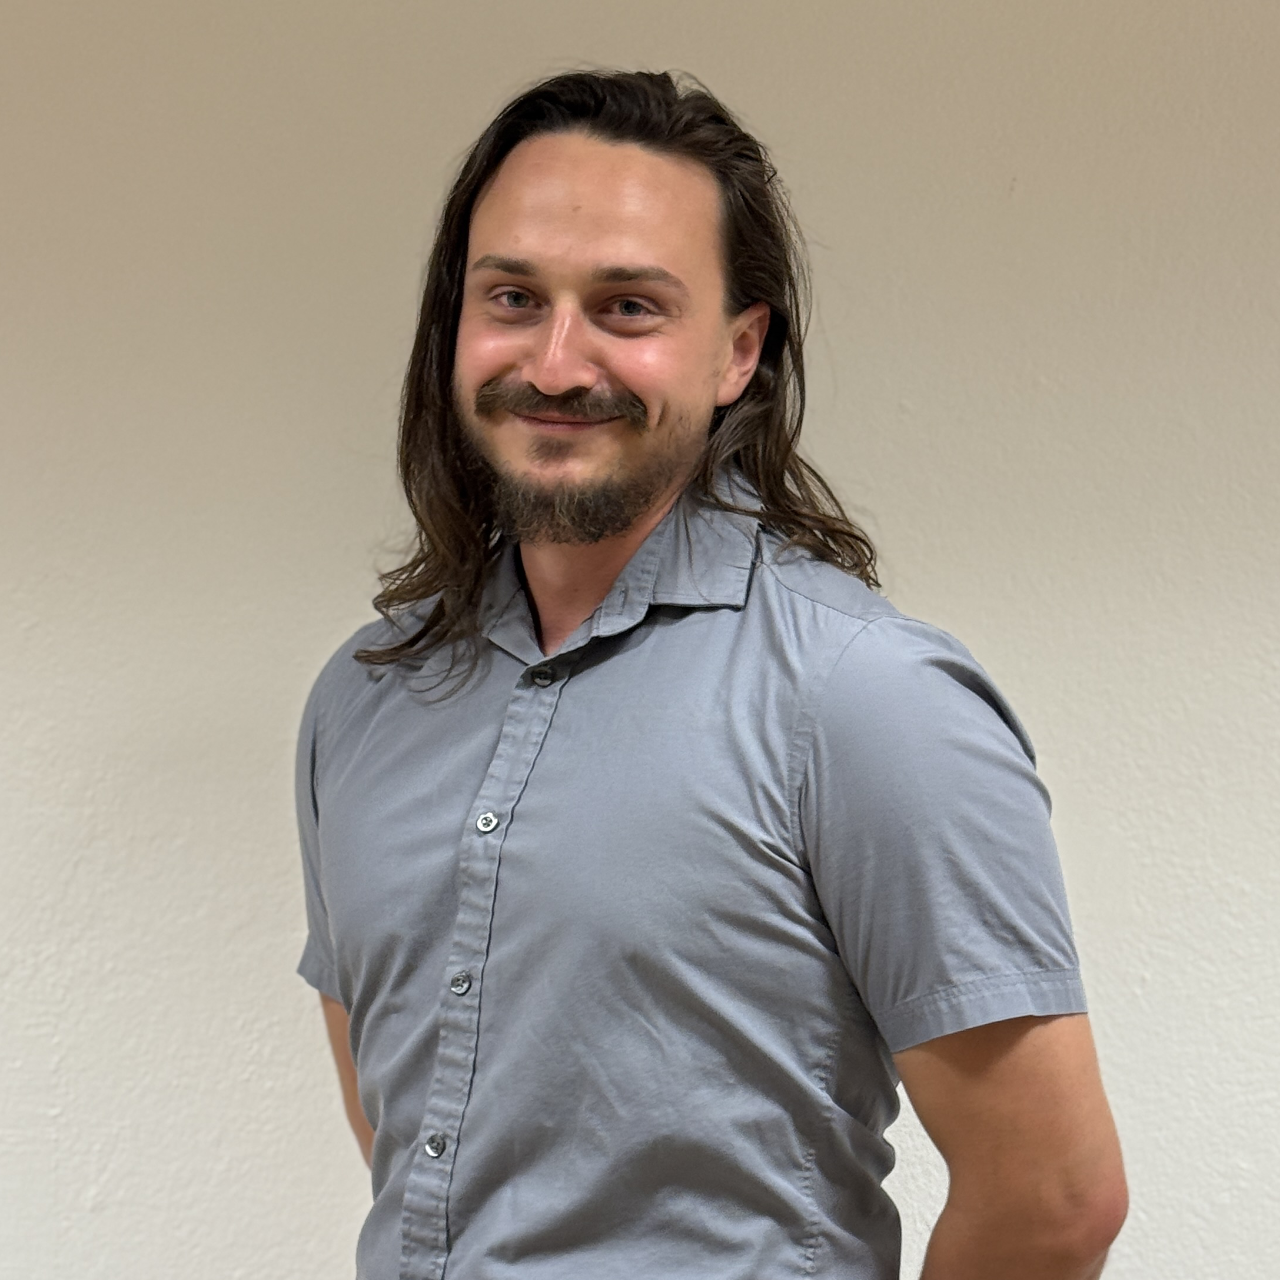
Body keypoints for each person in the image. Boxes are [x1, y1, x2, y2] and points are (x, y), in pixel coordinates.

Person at [296, 69, 1127, 1280]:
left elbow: (1052, 1198)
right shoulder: (362, 697)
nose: (556, 362)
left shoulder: (864, 700)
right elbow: (407, 1130)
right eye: (512, 297)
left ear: (738, 350)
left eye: (627, 306)